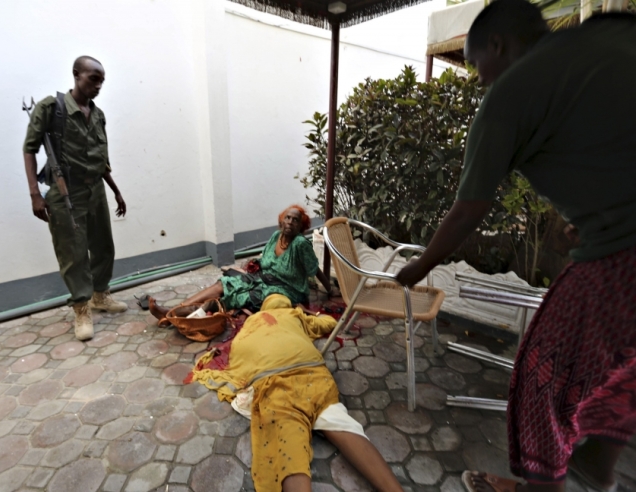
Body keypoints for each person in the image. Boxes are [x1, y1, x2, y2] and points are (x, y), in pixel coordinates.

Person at [396, 4, 636, 492]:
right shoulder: (609, 39)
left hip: (621, 260)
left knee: (539, 375)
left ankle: (544, 483)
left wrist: (419, 266)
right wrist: (592, 218)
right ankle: (597, 460)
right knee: (621, 365)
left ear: (499, 45)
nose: (479, 80)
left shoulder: (513, 88)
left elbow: (468, 211)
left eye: (476, 64)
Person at [190, 294, 404, 492]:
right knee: (344, 425)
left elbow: (238, 356)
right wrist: (311, 313)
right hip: (313, 373)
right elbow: (329, 324)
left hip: (274, 382)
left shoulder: (249, 325)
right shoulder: (294, 315)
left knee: (289, 447)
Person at [23, 56, 128, 341]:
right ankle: (81, 308)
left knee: (103, 245)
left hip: (95, 189)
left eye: (102, 81)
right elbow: (30, 148)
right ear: (76, 75)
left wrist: (115, 189)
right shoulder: (51, 108)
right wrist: (35, 193)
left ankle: (100, 295)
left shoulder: (99, 114)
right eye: (94, 78)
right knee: (73, 253)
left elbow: (100, 158)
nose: (98, 85)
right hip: (65, 191)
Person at [149, 205, 339, 322]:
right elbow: (264, 260)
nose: (290, 222)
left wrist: (329, 289)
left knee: (237, 296)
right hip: (263, 279)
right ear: (282, 221)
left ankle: (175, 315)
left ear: (301, 226)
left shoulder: (300, 244)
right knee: (224, 283)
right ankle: (176, 310)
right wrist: (255, 262)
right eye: (287, 218)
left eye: (295, 220)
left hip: (285, 288)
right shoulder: (275, 236)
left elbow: (314, 269)